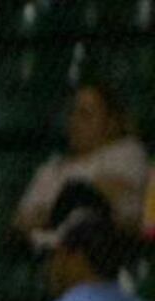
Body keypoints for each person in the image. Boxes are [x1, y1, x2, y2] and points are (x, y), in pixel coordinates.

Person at [13, 83, 148, 252]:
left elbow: (104, 200)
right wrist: (66, 207)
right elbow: (22, 221)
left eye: (85, 114)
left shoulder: (127, 152)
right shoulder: (50, 169)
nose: (75, 121)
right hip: (48, 255)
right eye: (73, 113)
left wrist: (51, 213)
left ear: (111, 121)